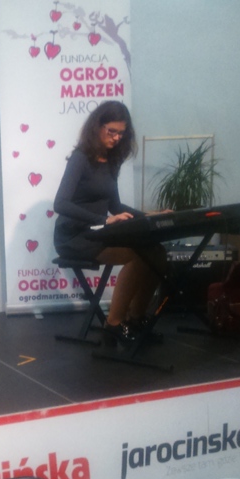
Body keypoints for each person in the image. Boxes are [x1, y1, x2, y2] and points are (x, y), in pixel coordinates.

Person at [53, 100, 167, 346]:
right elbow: (60, 204)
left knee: (156, 253)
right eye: (111, 131)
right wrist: (103, 220)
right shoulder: (80, 158)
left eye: (121, 133)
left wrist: (149, 216)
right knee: (138, 256)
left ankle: (136, 318)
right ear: (97, 127)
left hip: (99, 232)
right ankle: (113, 325)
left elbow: (116, 207)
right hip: (74, 236)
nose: (116, 138)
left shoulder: (112, 161)